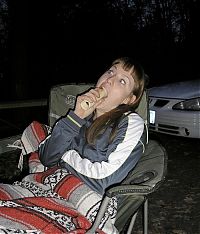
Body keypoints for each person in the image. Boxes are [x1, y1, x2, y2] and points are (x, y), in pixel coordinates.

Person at [0, 57, 148, 233]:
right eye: (111, 71)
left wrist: (64, 157)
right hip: (45, 188)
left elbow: (104, 181)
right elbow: (46, 158)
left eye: (122, 81)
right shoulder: (79, 117)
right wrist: (76, 116)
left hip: (85, 203)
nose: (109, 79)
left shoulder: (131, 122)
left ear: (129, 99)